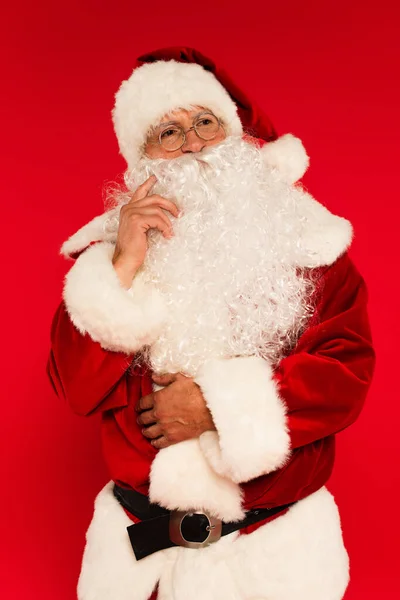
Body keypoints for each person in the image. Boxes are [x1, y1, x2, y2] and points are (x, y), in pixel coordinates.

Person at [47, 47, 376, 600]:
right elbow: (75, 389)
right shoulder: (107, 260)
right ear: (141, 159)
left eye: (206, 122)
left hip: (277, 550)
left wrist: (216, 408)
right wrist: (123, 266)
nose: (194, 143)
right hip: (142, 553)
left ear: (236, 135)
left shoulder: (310, 246)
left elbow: (345, 372)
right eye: (169, 133)